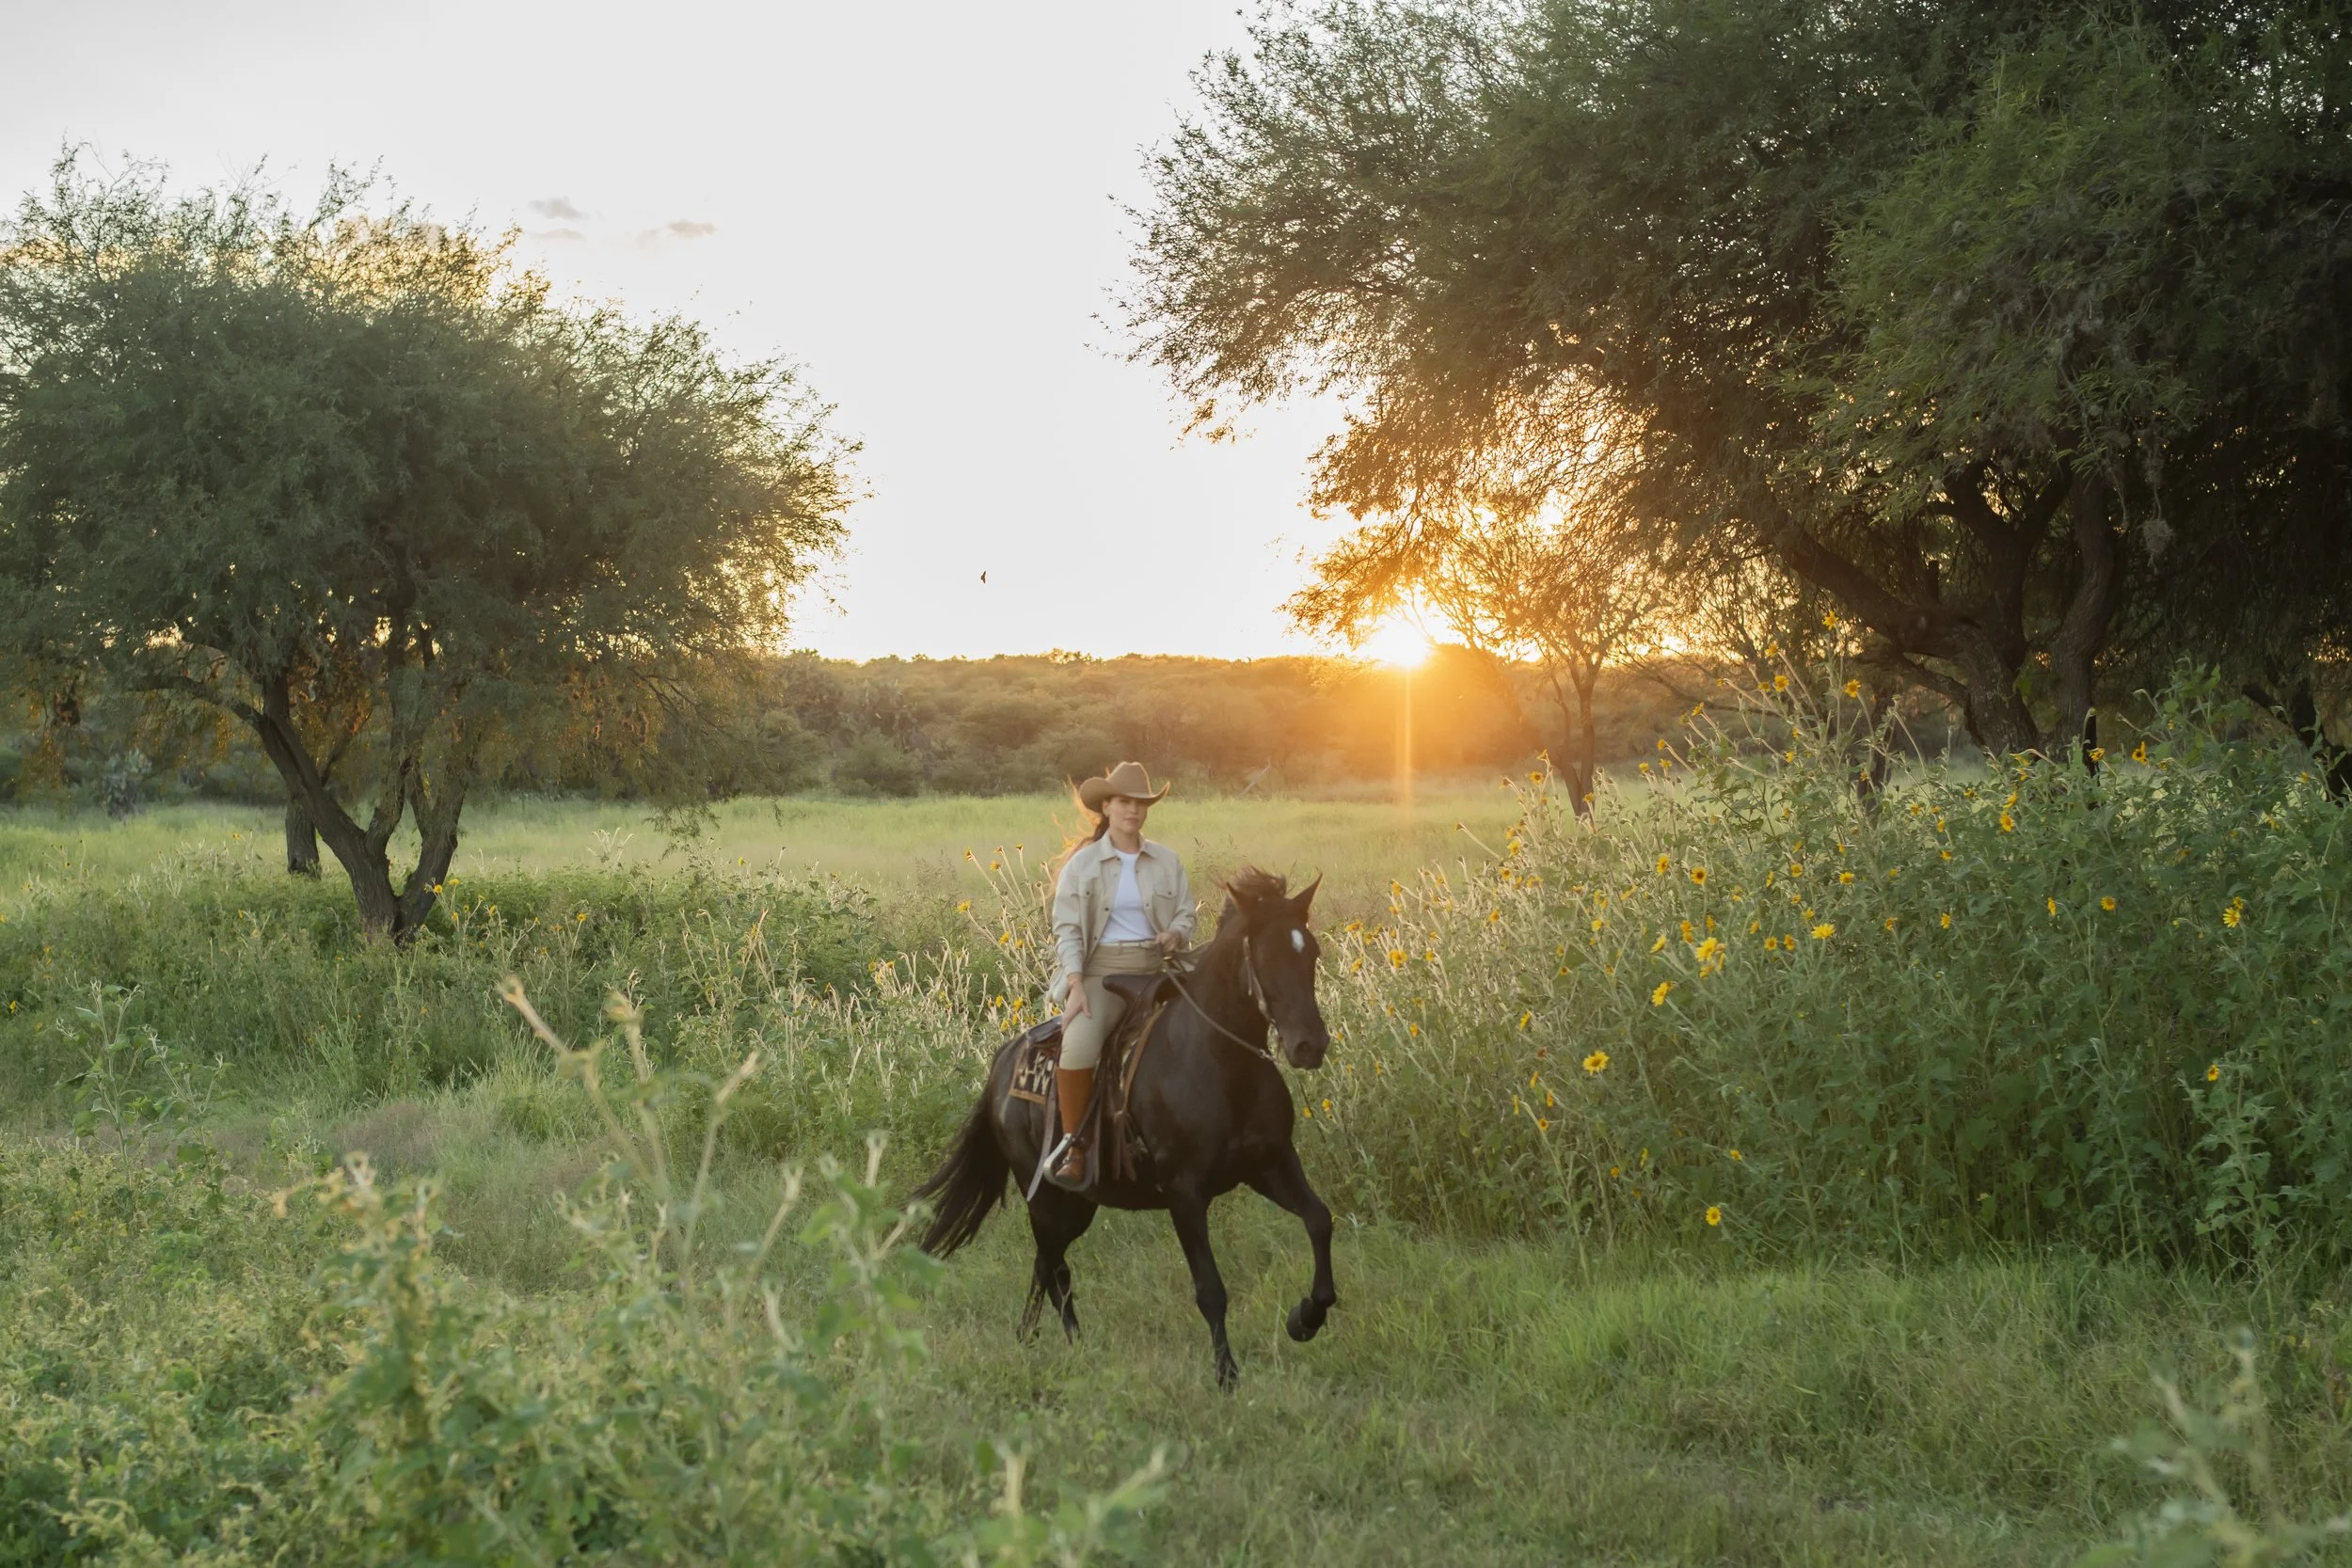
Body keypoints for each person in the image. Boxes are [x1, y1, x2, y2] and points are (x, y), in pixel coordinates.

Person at [1046, 760, 1196, 1181]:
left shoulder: (1167, 860)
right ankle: (1074, 1147)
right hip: (1103, 974)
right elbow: (1068, 929)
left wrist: (1176, 935)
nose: (1133, 810)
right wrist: (1075, 984)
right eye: (1124, 802)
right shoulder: (1084, 864)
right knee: (1077, 1047)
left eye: (1141, 803)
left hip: (1157, 969)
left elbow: (1186, 913)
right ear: (1107, 807)